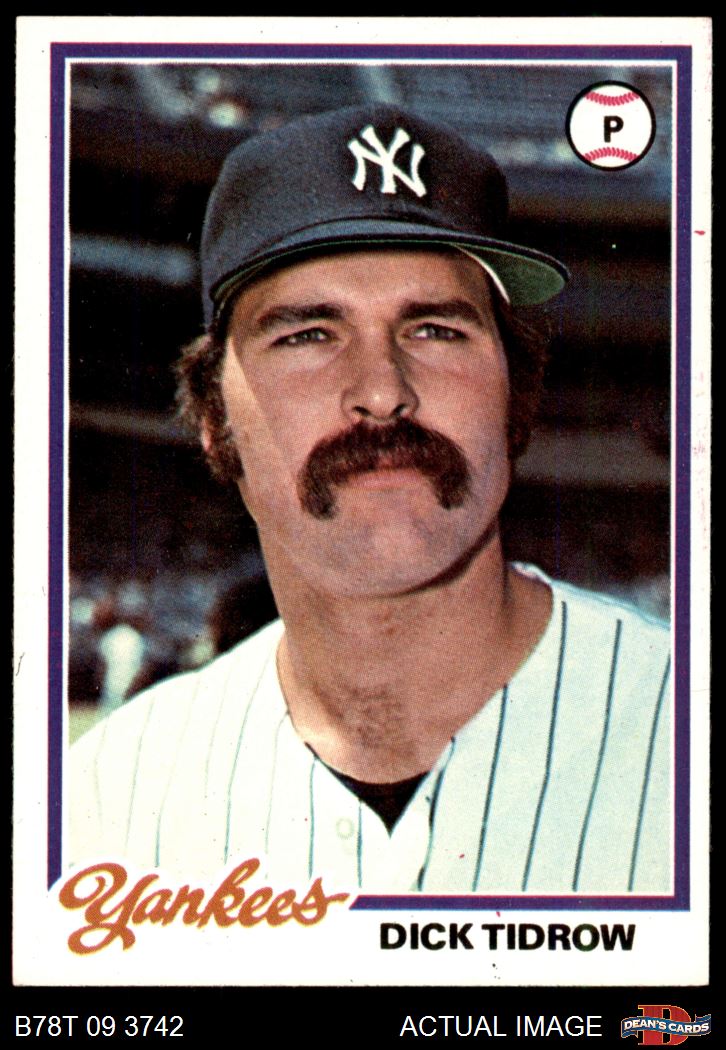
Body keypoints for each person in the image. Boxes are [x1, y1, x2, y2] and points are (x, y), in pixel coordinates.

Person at [69, 104, 671, 894]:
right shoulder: (108, 798)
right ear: (214, 419)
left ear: (516, 395)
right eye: (308, 335)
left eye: (436, 330)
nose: (383, 392)